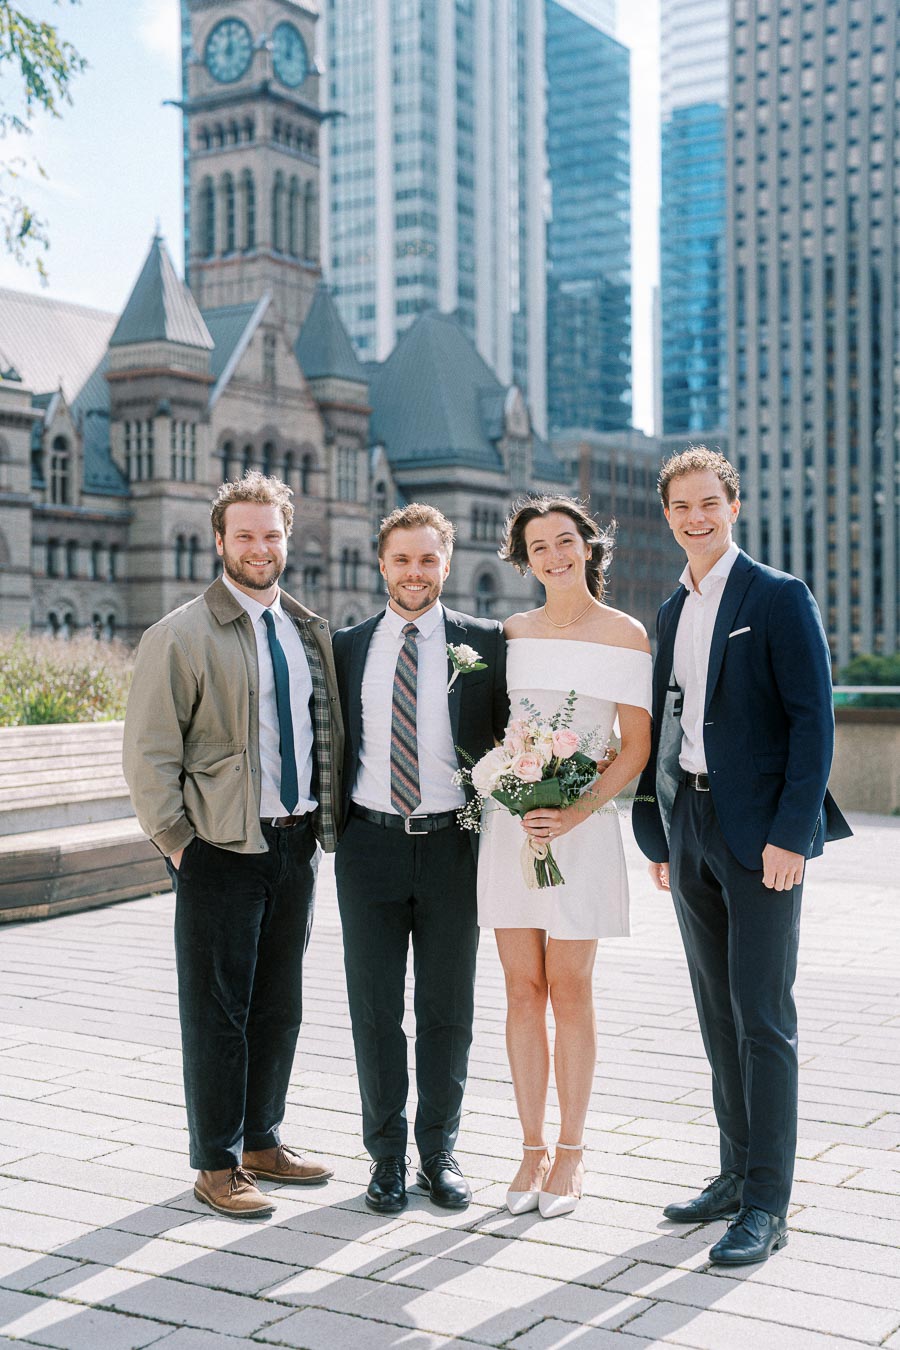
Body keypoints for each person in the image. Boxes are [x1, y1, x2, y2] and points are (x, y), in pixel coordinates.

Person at [632, 447, 851, 1265]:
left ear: (734, 505)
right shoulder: (669, 611)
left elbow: (813, 724)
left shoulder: (779, 596)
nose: (696, 518)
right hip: (688, 823)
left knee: (763, 1017)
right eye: (680, 507)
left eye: (708, 504)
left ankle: (767, 1202)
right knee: (716, 1012)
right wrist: (656, 831)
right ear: (668, 516)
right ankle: (732, 1173)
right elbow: (663, 725)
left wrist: (793, 835)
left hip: (761, 836)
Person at [123, 471, 343, 1219]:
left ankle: (260, 1140)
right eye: (244, 535)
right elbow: (149, 754)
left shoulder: (305, 630)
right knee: (217, 1011)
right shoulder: (180, 634)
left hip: (294, 845)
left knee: (279, 1005)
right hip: (219, 849)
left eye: (271, 535)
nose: (260, 548)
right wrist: (179, 846)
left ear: (287, 539)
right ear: (220, 541)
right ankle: (215, 1163)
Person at [478, 496, 652, 1218]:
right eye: (538, 546)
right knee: (522, 991)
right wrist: (516, 796)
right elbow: (498, 734)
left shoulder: (626, 635)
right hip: (510, 830)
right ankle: (528, 1152)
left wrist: (574, 811)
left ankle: (572, 1155)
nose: (554, 555)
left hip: (582, 832)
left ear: (589, 546)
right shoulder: (509, 634)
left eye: (565, 541)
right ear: (524, 559)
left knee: (570, 989)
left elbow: (634, 747)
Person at [333, 503, 508, 1214]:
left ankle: (439, 1153)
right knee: (374, 1011)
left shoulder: (487, 642)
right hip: (368, 845)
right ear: (382, 564)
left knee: (447, 1010)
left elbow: (509, 739)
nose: (415, 572)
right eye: (402, 559)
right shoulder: (347, 646)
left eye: (428, 560)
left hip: (452, 848)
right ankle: (385, 1159)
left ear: (447, 562)